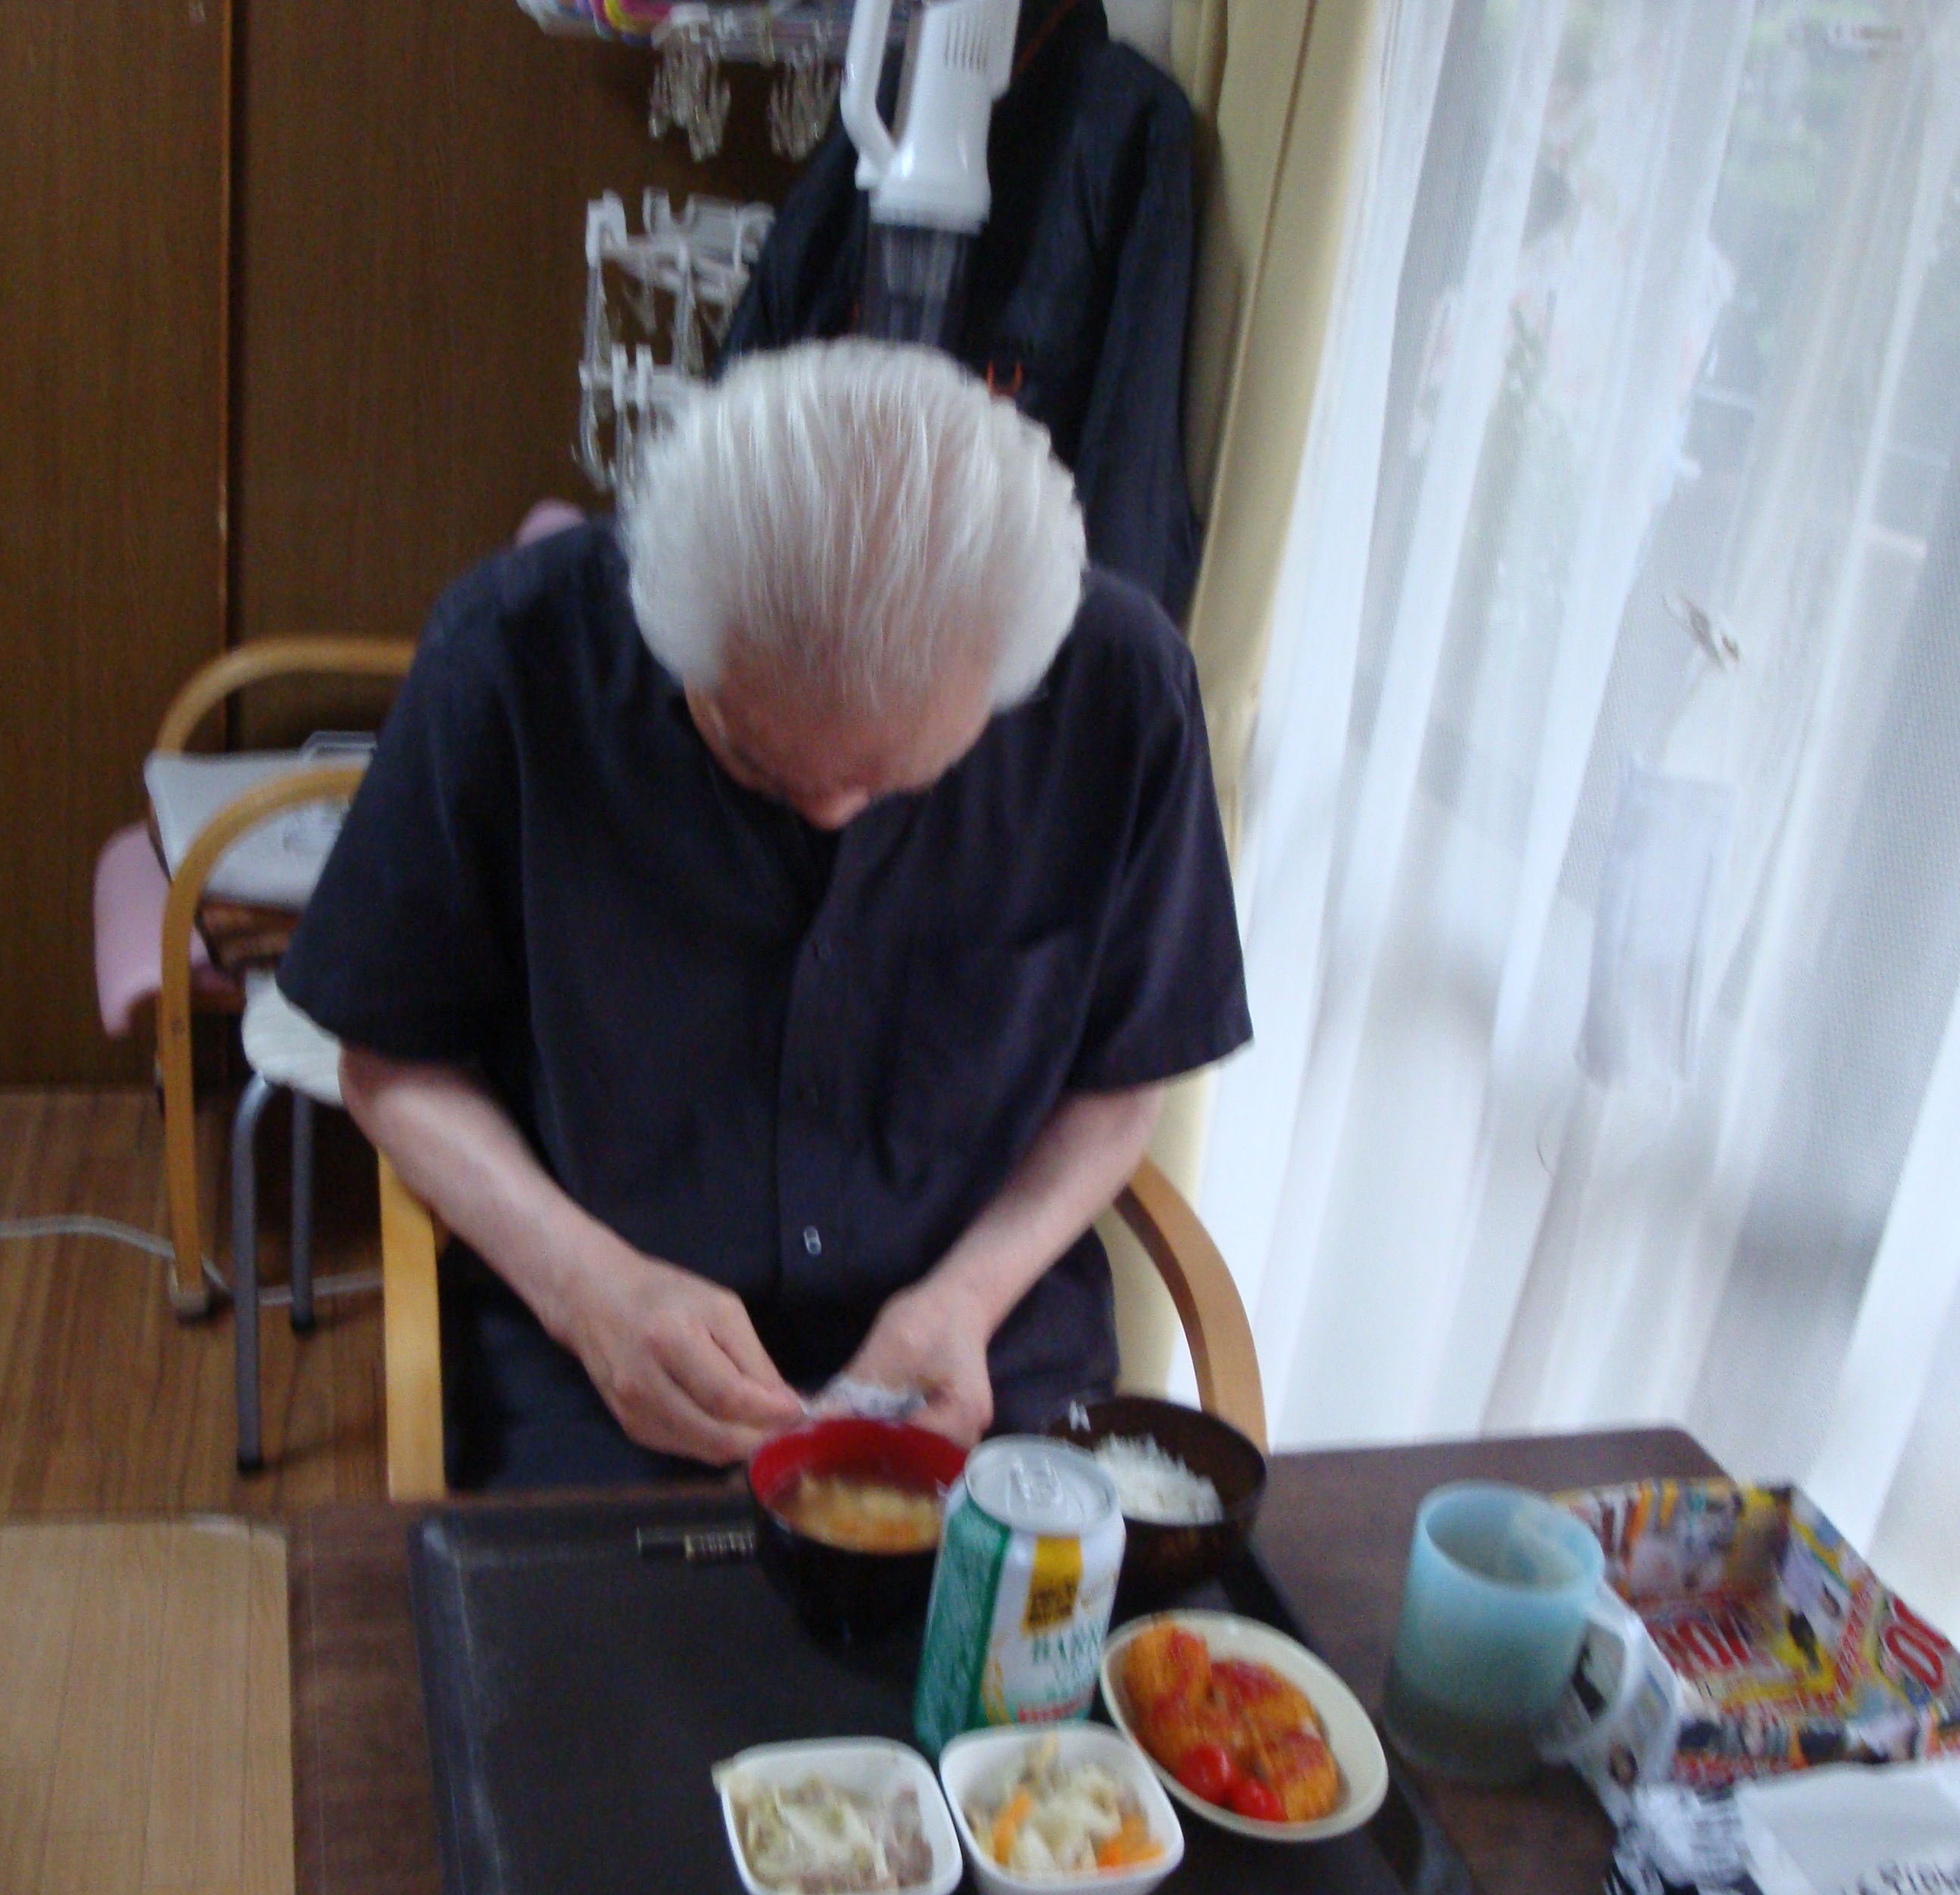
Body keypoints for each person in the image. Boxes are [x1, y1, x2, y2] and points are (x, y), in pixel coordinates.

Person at [278, 341, 1248, 1489]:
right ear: (663, 626)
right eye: (754, 759)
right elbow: (390, 1059)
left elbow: (1124, 1076)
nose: (832, 815)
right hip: (599, 1363)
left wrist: (969, 1295)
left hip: (979, 1351)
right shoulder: (509, 659)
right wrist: (582, 1283)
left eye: (892, 781)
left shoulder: (1121, 692)